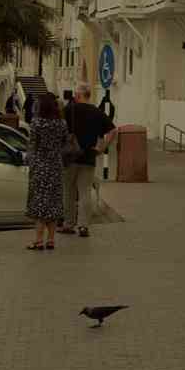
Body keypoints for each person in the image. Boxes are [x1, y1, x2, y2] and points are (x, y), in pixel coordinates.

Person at [60, 83, 116, 238]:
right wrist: (102, 147)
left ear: (78, 96)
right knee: (84, 192)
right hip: (89, 157)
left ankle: (68, 224)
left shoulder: (68, 110)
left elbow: (59, 128)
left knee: (68, 192)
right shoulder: (97, 112)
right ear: (88, 95)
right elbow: (113, 130)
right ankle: (83, 226)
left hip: (70, 157)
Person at [26, 92, 66, 250]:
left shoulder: (36, 123)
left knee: (40, 203)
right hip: (56, 166)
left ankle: (38, 240)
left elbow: (32, 145)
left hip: (40, 166)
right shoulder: (61, 123)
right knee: (54, 203)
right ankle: (51, 239)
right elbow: (63, 142)